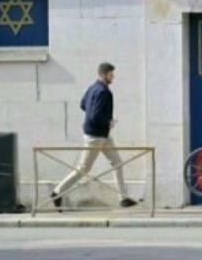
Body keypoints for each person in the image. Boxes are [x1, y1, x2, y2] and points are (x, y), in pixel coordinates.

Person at [51, 62, 138, 209]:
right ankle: (57, 192)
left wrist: (97, 119)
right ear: (104, 75)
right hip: (96, 136)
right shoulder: (104, 92)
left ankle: (123, 198)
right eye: (111, 74)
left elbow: (83, 104)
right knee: (84, 169)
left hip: (101, 135)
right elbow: (95, 116)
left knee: (117, 163)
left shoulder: (92, 88)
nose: (113, 77)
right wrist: (108, 122)